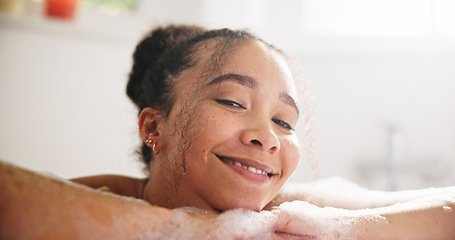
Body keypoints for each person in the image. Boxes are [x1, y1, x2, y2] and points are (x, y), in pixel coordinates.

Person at [1, 24, 454, 239]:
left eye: (284, 121)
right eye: (234, 102)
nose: (268, 136)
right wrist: (188, 230)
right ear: (153, 126)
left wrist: (349, 230)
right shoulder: (101, 201)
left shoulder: (294, 213)